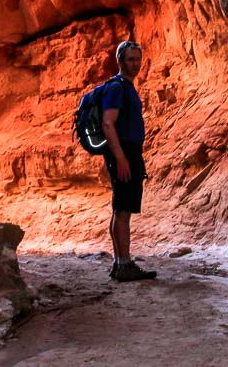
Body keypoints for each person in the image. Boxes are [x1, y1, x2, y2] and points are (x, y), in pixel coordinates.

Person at [101, 40, 157, 282]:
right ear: (120, 61)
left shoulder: (126, 87)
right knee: (123, 212)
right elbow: (107, 123)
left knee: (120, 210)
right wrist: (121, 157)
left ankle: (119, 263)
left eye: (137, 59)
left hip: (126, 153)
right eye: (130, 59)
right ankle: (125, 264)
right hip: (124, 153)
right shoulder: (117, 88)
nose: (135, 64)